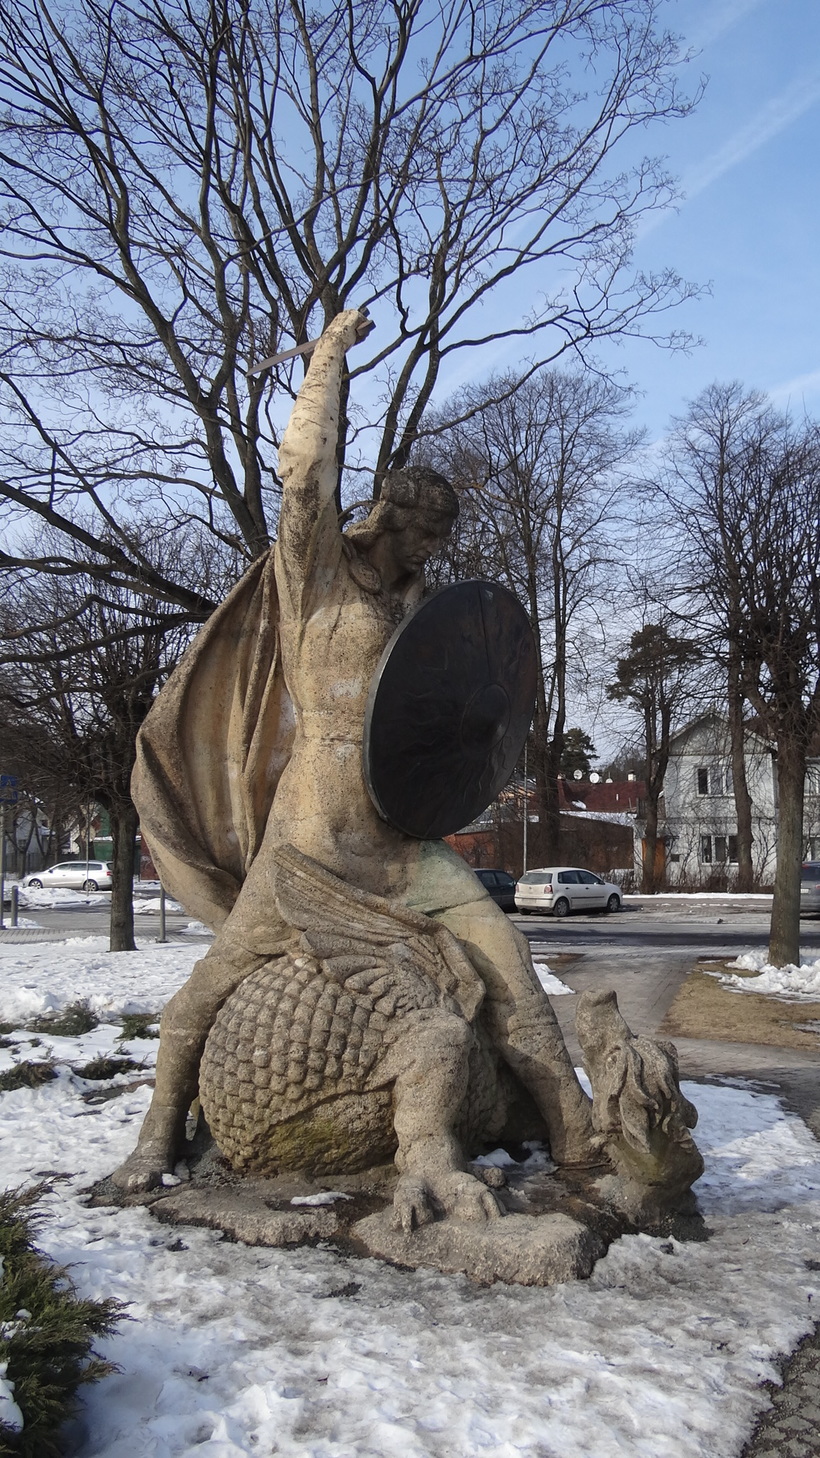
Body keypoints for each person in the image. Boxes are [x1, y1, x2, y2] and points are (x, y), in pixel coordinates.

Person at [113, 311, 596, 1223]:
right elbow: (305, 476)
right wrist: (328, 361)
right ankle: (156, 1133)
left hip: (403, 846)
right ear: (390, 515)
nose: (429, 552)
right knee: (205, 990)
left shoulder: (421, 608)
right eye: (422, 534)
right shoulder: (317, 576)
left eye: (439, 541)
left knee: (510, 961)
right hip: (312, 843)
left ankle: (576, 1131)